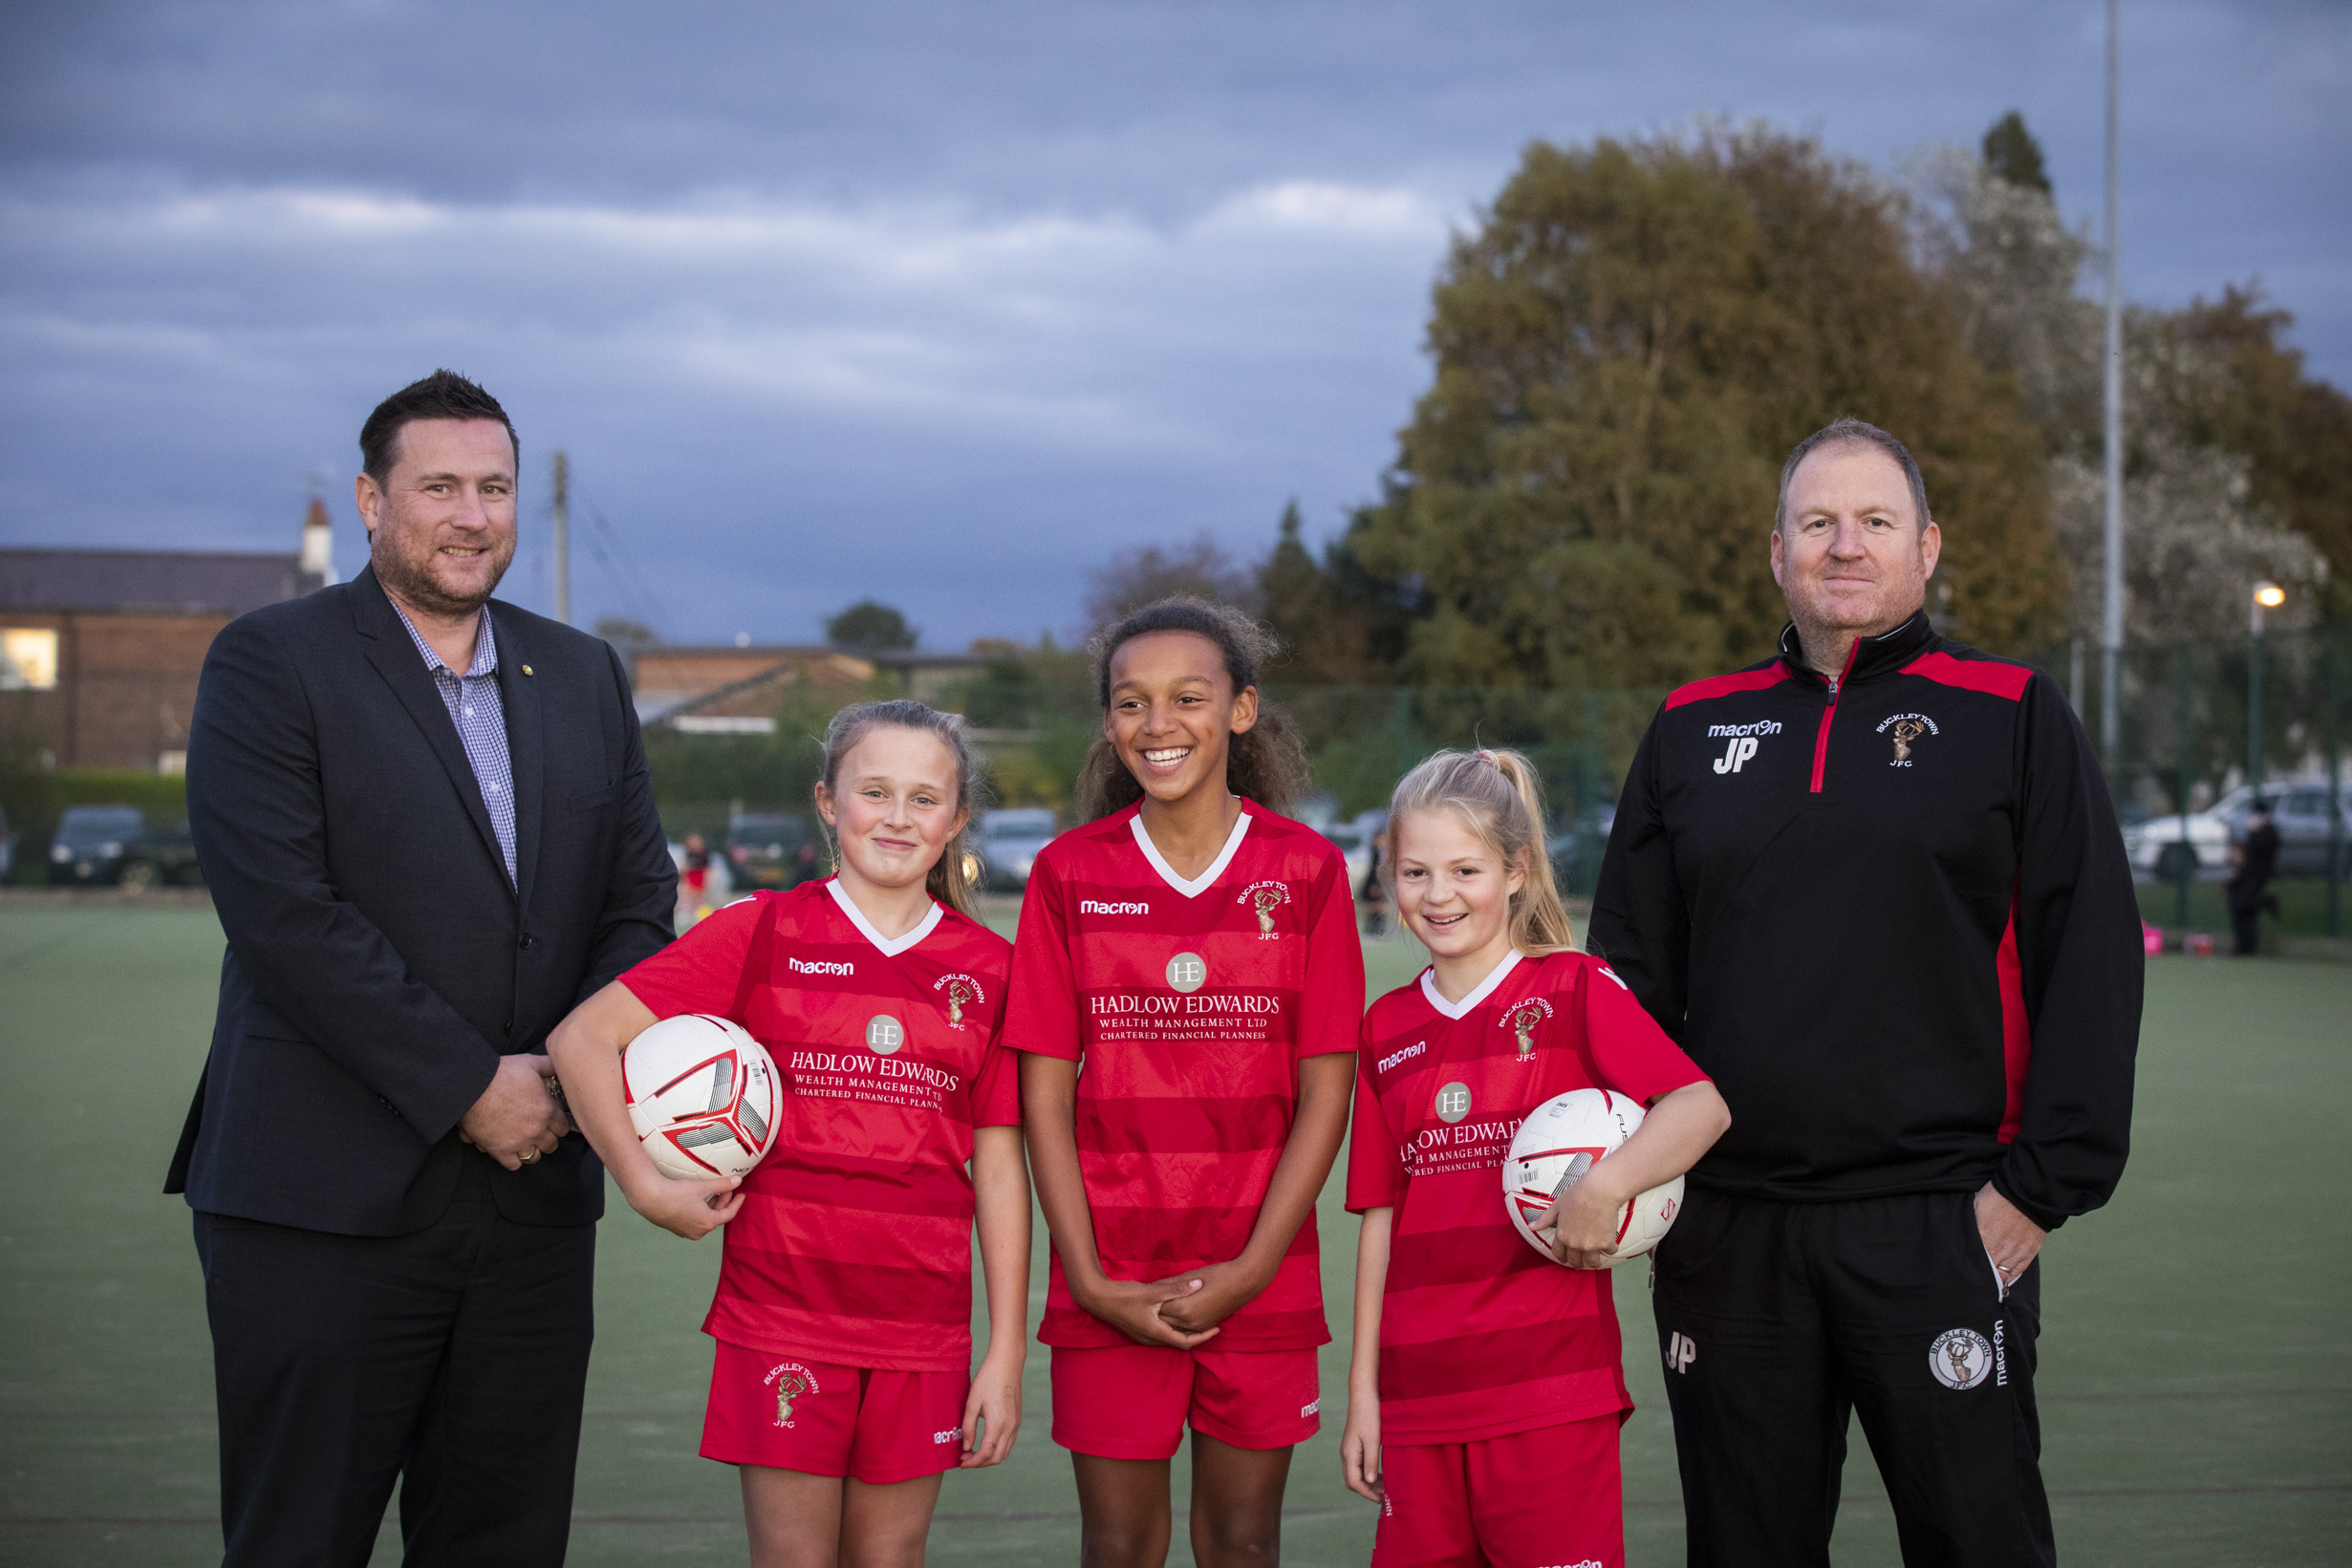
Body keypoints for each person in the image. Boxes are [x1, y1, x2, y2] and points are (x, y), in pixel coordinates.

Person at [1588, 417, 2144, 1567]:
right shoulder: (1692, 727)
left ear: (1926, 547)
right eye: (1818, 522)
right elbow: (1627, 973)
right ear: (1775, 549)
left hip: (1941, 1220)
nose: (1846, 545)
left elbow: (2087, 957)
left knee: (1979, 1543)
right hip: (1730, 1232)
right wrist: (1639, 1172)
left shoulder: (2012, 714)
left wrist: (2037, 1192)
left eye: (1875, 521)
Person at [166, 370, 678, 1566]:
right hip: (321, 1204)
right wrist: (469, 1086)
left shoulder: (586, 674)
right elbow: (287, 918)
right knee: (301, 1539)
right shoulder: (270, 661)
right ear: (370, 500)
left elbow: (637, 901)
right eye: (438, 486)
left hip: (532, 1205)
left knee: (501, 1543)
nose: (471, 514)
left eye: (493, 487)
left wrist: (559, 1075)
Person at [546, 700, 1029, 1568]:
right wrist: (646, 1185)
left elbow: (998, 1167)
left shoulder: (989, 970)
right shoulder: (761, 930)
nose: (896, 816)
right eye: (873, 791)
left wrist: (1002, 1352)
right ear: (826, 800)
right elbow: (579, 1039)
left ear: (957, 819)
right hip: (781, 1317)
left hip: (921, 1330)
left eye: (924, 799)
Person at [1006, 597, 1366, 1568]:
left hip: (1262, 1280)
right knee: (1118, 1546)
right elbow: (1043, 1094)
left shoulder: (1307, 873)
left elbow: (1325, 1094)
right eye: (1131, 702)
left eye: (1188, 697)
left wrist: (1248, 1272)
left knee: (1243, 1544)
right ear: (1109, 721)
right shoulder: (1066, 875)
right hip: (1109, 1278)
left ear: (1242, 710)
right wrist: (1086, 1277)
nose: (1157, 724)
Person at [1340, 749, 1729, 1568]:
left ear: (1515, 871)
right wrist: (1363, 1397)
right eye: (1414, 870)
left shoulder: (1573, 990)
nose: (1436, 893)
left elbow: (1700, 1106)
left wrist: (1610, 1180)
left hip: (1548, 1393)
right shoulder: (1385, 1028)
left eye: (1463, 868)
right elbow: (1381, 1218)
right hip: (1417, 1401)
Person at [2227, 799, 2281, 956]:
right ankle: (2244, 946)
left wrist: (2255, 832)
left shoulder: (2269, 833)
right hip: (2246, 876)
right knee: (2241, 909)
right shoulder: (2255, 832)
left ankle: (2265, 902)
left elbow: (2262, 850)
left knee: (2243, 904)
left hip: (2257, 876)